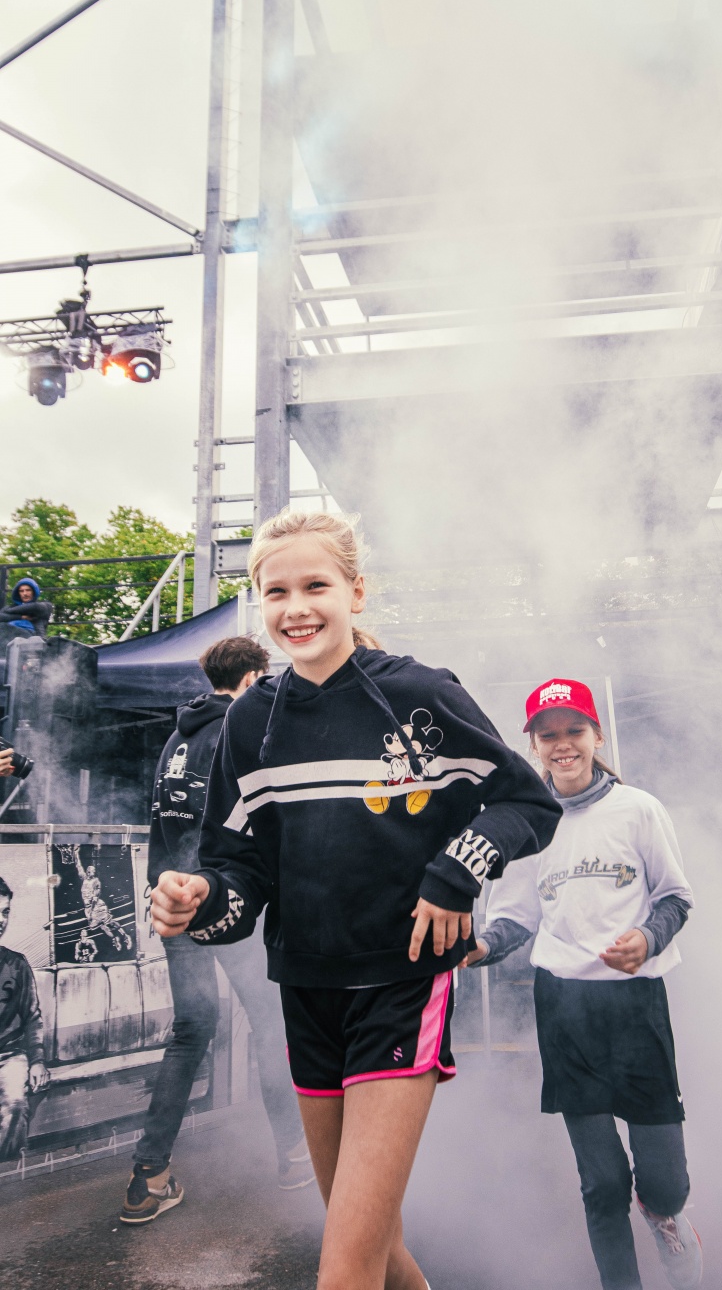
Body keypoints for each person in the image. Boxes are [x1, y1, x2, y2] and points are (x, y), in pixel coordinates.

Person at [149, 509, 562, 1290]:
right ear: (259, 604)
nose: (296, 607)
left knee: (343, 1267)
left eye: (316, 585)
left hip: (400, 984)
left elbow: (527, 804)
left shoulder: (420, 694)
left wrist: (454, 872)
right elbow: (239, 870)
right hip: (304, 991)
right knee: (373, 1243)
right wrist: (199, 899)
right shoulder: (249, 720)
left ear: (356, 593)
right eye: (276, 592)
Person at [466, 678, 701, 1290]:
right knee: (601, 1184)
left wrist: (646, 938)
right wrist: (481, 949)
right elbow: (513, 919)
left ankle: (665, 1214)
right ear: (534, 746)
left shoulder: (638, 809)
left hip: (636, 1003)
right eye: (548, 735)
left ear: (597, 737)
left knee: (664, 1181)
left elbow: (676, 898)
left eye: (575, 731)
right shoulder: (524, 825)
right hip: (564, 1008)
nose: (562, 744)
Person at [120, 635, 311, 1226]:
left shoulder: (176, 738)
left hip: (171, 898)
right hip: (219, 897)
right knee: (271, 1019)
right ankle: (294, 1156)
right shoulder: (240, 728)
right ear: (252, 679)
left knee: (192, 1028)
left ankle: (148, 1176)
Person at [0, 875, 50, 1162]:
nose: (1, 920)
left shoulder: (17, 964)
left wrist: (37, 1060)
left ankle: (6, 1174)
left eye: (5, 911)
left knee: (16, 1104)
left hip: (9, 1055)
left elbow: (32, 1016)